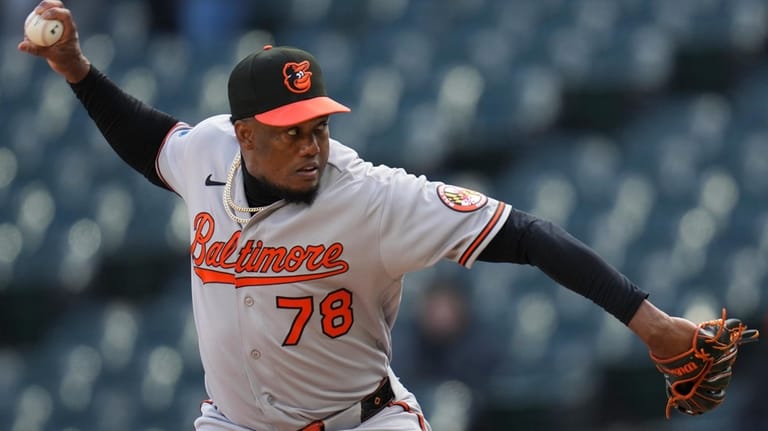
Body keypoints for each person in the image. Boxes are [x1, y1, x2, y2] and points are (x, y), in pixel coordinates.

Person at [19, 2, 714, 430]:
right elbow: (148, 142)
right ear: (244, 134)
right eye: (291, 130)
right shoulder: (203, 153)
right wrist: (79, 70)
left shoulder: (372, 197)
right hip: (231, 422)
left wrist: (649, 321)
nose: (312, 143)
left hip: (361, 424)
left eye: (317, 125)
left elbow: (528, 234)